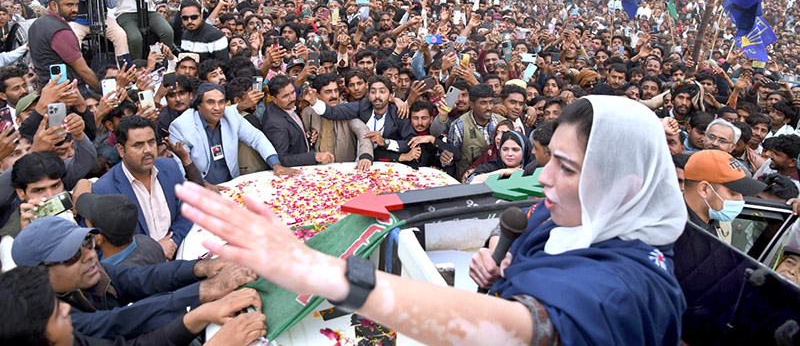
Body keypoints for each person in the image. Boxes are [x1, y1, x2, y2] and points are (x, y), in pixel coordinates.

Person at [174, 96, 689, 346]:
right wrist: (498, 255)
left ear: (626, 188)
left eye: (567, 168)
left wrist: (316, 271)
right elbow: (524, 232)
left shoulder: (624, 288)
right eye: (549, 158)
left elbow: (515, 332)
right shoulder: (571, 215)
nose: (544, 178)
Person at [11, 216, 259, 340]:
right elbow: (119, 321)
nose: (89, 256)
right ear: (39, 273)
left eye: (87, 243)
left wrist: (204, 268)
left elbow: (142, 277)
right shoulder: (53, 320)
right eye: (71, 256)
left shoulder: (92, 273)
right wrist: (204, 292)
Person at [0, 265, 267, 346]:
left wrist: (198, 315)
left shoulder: (71, 338)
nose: (66, 309)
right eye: (55, 311)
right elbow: (119, 320)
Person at [92, 116, 193, 259]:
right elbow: (104, 251)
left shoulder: (169, 167)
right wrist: (154, 251)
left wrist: (173, 241)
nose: (147, 150)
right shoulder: (104, 190)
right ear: (121, 150)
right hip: (143, 270)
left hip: (181, 252)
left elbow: (186, 210)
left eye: (151, 142)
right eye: (138, 145)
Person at [168, 83, 299, 184]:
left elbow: (256, 137)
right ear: (198, 105)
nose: (217, 108)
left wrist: (275, 164)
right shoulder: (181, 126)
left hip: (231, 185)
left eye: (221, 102)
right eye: (210, 102)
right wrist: (203, 185)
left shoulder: (230, 114)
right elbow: (181, 168)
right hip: (200, 191)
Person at [303, 75, 414, 161]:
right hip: (361, 162)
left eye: (382, 91)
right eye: (373, 92)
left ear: (390, 96)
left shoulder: (399, 113)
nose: (377, 96)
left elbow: (410, 142)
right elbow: (332, 112)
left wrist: (385, 142)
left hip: (390, 163)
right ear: (368, 96)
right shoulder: (362, 106)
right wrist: (313, 101)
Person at [682, 149, 767, 237]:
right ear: (704, 189)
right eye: (733, 193)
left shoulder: (723, 223)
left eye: (741, 194)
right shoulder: (672, 229)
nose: (740, 200)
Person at [28, 0, 99, 88]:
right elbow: (83, 71)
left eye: (76, 4)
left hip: (48, 87)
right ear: (53, 5)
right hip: (67, 90)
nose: (75, 9)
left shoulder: (36, 24)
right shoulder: (60, 32)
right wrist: (102, 91)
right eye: (69, 5)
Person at [301, 73, 374, 169]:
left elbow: (363, 132)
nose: (334, 95)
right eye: (328, 92)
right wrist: (308, 136)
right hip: (318, 169)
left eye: (336, 91)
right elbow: (304, 139)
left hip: (344, 168)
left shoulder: (346, 109)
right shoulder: (308, 113)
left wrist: (365, 156)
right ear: (317, 95)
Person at [75, 192, 166, 267]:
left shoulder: (108, 280)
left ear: (99, 238)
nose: (86, 233)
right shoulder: (148, 242)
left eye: (88, 227)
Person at [261, 74, 334, 167]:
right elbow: (282, 159)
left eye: (292, 92)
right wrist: (315, 156)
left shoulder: (283, 106)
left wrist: (304, 136)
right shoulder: (275, 123)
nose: (292, 98)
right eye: (286, 96)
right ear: (274, 99)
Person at [450, 84, 502, 181]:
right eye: (483, 103)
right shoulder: (459, 126)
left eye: (491, 102)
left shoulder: (501, 123)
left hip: (498, 179)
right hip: (468, 183)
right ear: (472, 105)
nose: (489, 107)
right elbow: (452, 159)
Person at [468, 130, 537, 183]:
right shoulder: (493, 166)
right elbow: (472, 180)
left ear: (525, 151)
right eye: (505, 149)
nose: (509, 154)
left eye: (515, 150)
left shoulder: (533, 169)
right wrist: (503, 172)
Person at [176, 0, 229, 64]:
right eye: (185, 18)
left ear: (201, 16)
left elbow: (223, 64)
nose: (189, 21)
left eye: (194, 17)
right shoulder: (185, 34)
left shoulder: (215, 36)